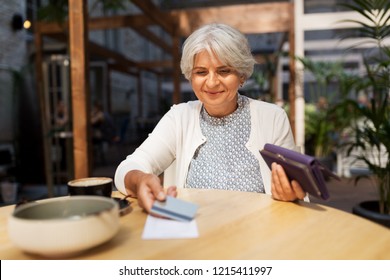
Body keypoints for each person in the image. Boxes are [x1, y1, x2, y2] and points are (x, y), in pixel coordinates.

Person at [114, 23, 306, 213]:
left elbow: (297, 188)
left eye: (224, 71)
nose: (212, 82)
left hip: (257, 232)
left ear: (242, 75)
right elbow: (128, 168)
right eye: (201, 72)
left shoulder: (272, 117)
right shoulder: (179, 117)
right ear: (191, 77)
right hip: (194, 231)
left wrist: (291, 194)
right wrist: (139, 180)